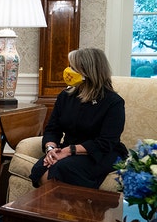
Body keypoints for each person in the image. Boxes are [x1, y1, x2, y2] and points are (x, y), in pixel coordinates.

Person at [29, 48, 128, 189]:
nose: (68, 70)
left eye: (73, 67)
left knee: (62, 169)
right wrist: (51, 149)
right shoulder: (66, 96)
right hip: (70, 149)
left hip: (102, 153)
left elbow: (106, 142)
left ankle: (61, 209)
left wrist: (68, 151)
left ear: (87, 71)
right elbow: (53, 129)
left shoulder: (113, 102)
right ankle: (60, 208)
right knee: (39, 168)